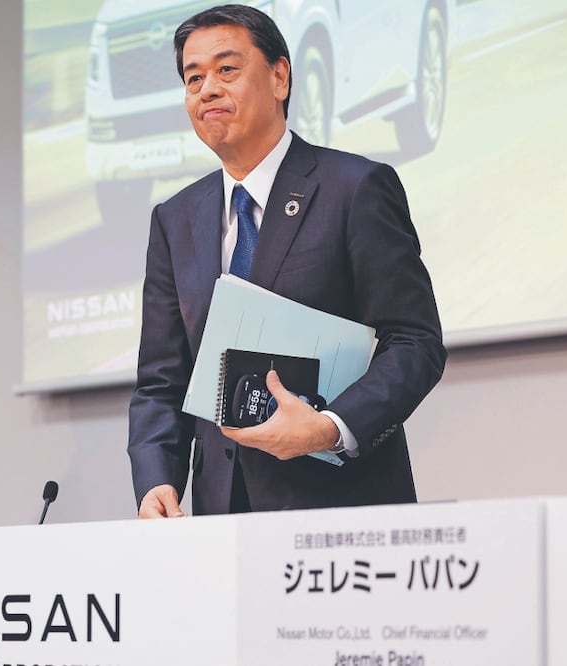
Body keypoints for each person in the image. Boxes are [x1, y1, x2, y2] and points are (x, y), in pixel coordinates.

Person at [128, 5, 446, 518]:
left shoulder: (356, 189)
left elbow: (415, 343)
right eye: (193, 78)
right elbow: (163, 380)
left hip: (343, 508)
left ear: (280, 76)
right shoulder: (175, 218)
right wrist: (156, 481)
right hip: (222, 516)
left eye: (227, 70)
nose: (207, 89)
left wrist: (331, 426)